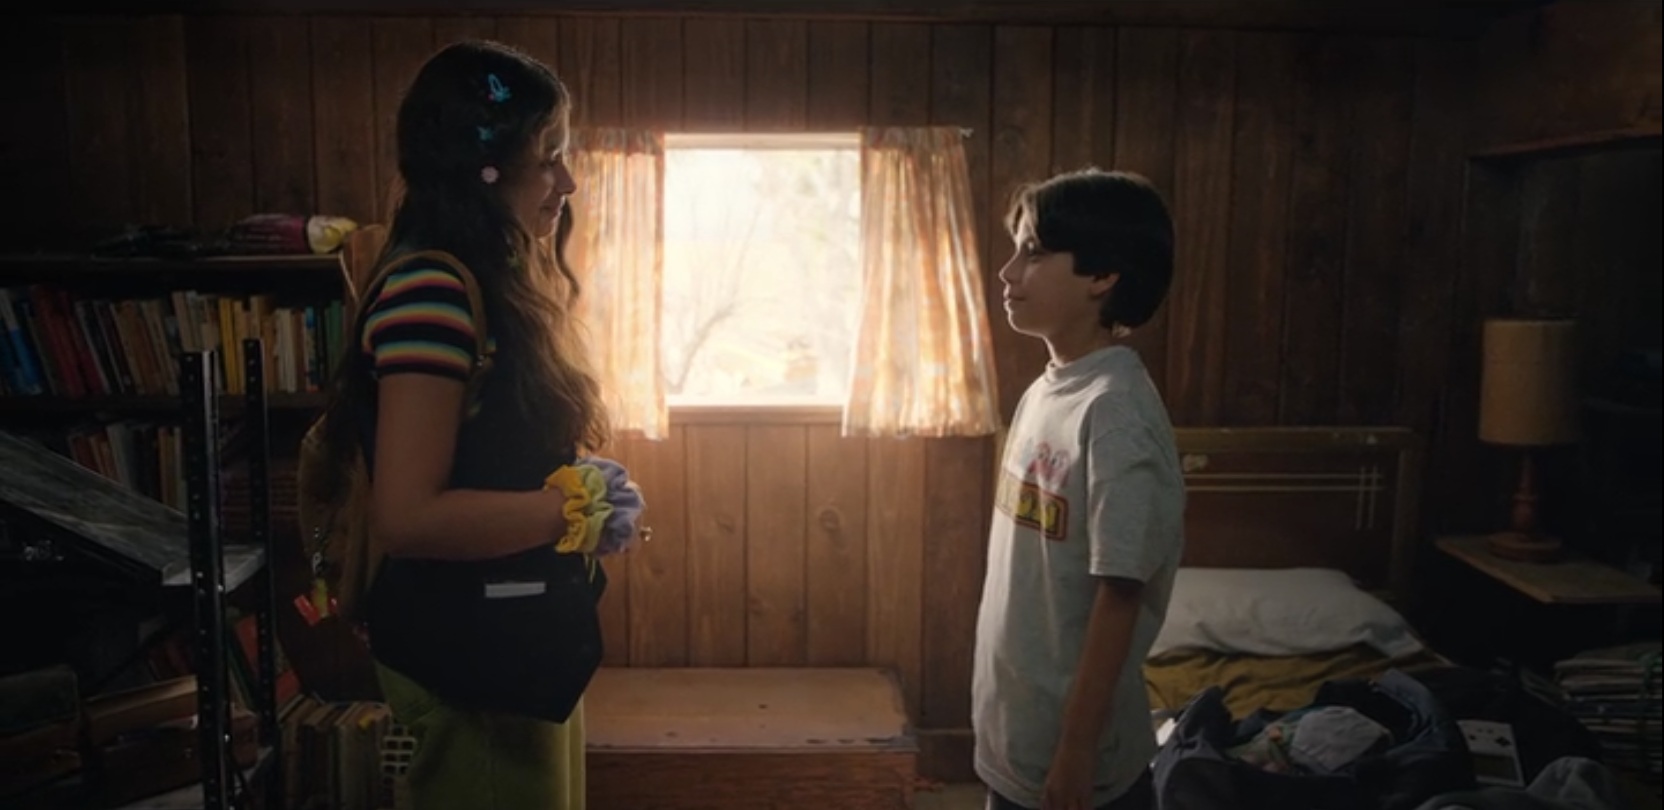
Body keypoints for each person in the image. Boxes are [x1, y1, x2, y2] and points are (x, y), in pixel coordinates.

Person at [308, 40, 615, 810]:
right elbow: (409, 517)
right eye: (548, 158)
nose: (567, 183)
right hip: (472, 662)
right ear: (484, 167)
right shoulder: (431, 291)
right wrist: (569, 510)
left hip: (514, 648)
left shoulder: (481, 280)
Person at [972, 168, 1187, 810]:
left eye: (1034, 253)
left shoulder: (1115, 412)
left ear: (1102, 276)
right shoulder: (1048, 390)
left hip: (1078, 763)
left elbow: (1120, 593)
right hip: (1017, 734)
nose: (1008, 272)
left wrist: (1075, 748)